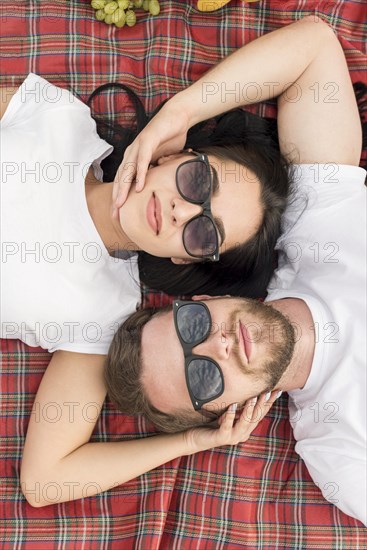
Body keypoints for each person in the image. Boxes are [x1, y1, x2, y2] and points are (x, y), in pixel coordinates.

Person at [4, 15, 363, 507]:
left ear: (182, 260)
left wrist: (196, 442)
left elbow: (45, 481)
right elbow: (315, 47)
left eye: (202, 231)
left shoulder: (101, 311)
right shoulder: (60, 121)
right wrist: (178, 114)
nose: (181, 209)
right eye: (197, 181)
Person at [106, 19, 367, 524]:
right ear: (225, 414)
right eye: (202, 375)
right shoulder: (337, 451)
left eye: (193, 328)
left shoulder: (314, 226)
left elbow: (313, 49)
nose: (216, 345)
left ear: (201, 304)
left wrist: (177, 113)